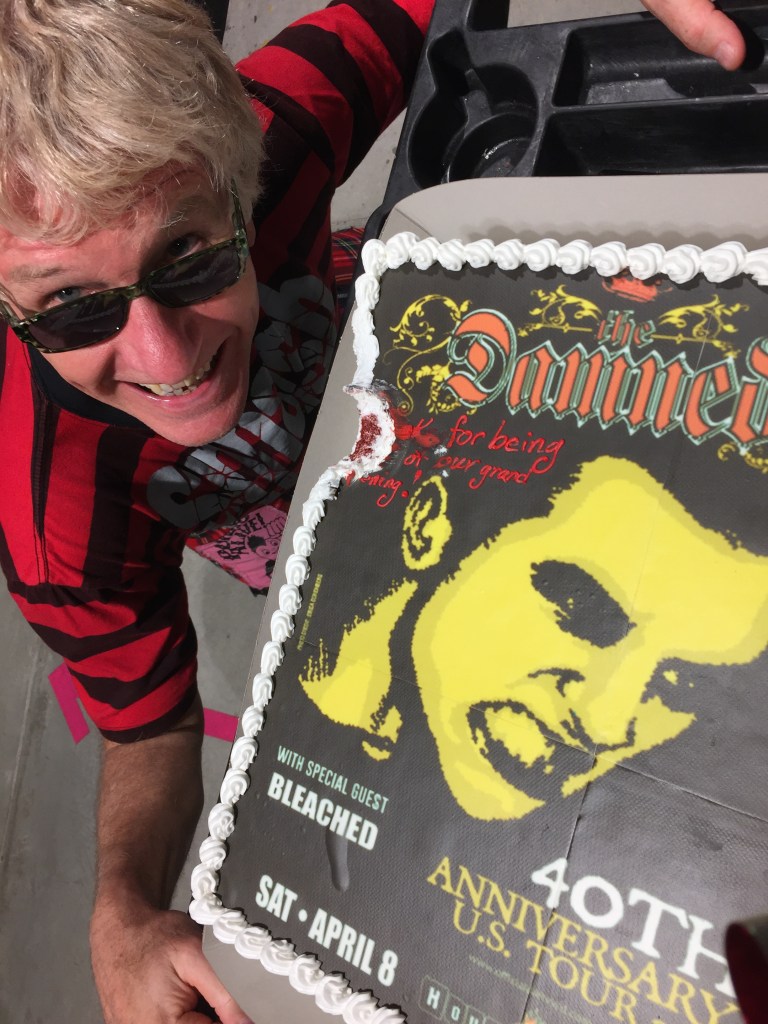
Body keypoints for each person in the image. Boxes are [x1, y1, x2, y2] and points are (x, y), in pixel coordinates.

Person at [0, 1, 750, 1022]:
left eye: (190, 255)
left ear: (241, 177)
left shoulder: (275, 117)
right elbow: (148, 716)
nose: (166, 358)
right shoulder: (53, 518)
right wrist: (121, 908)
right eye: (71, 308)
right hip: (285, 538)